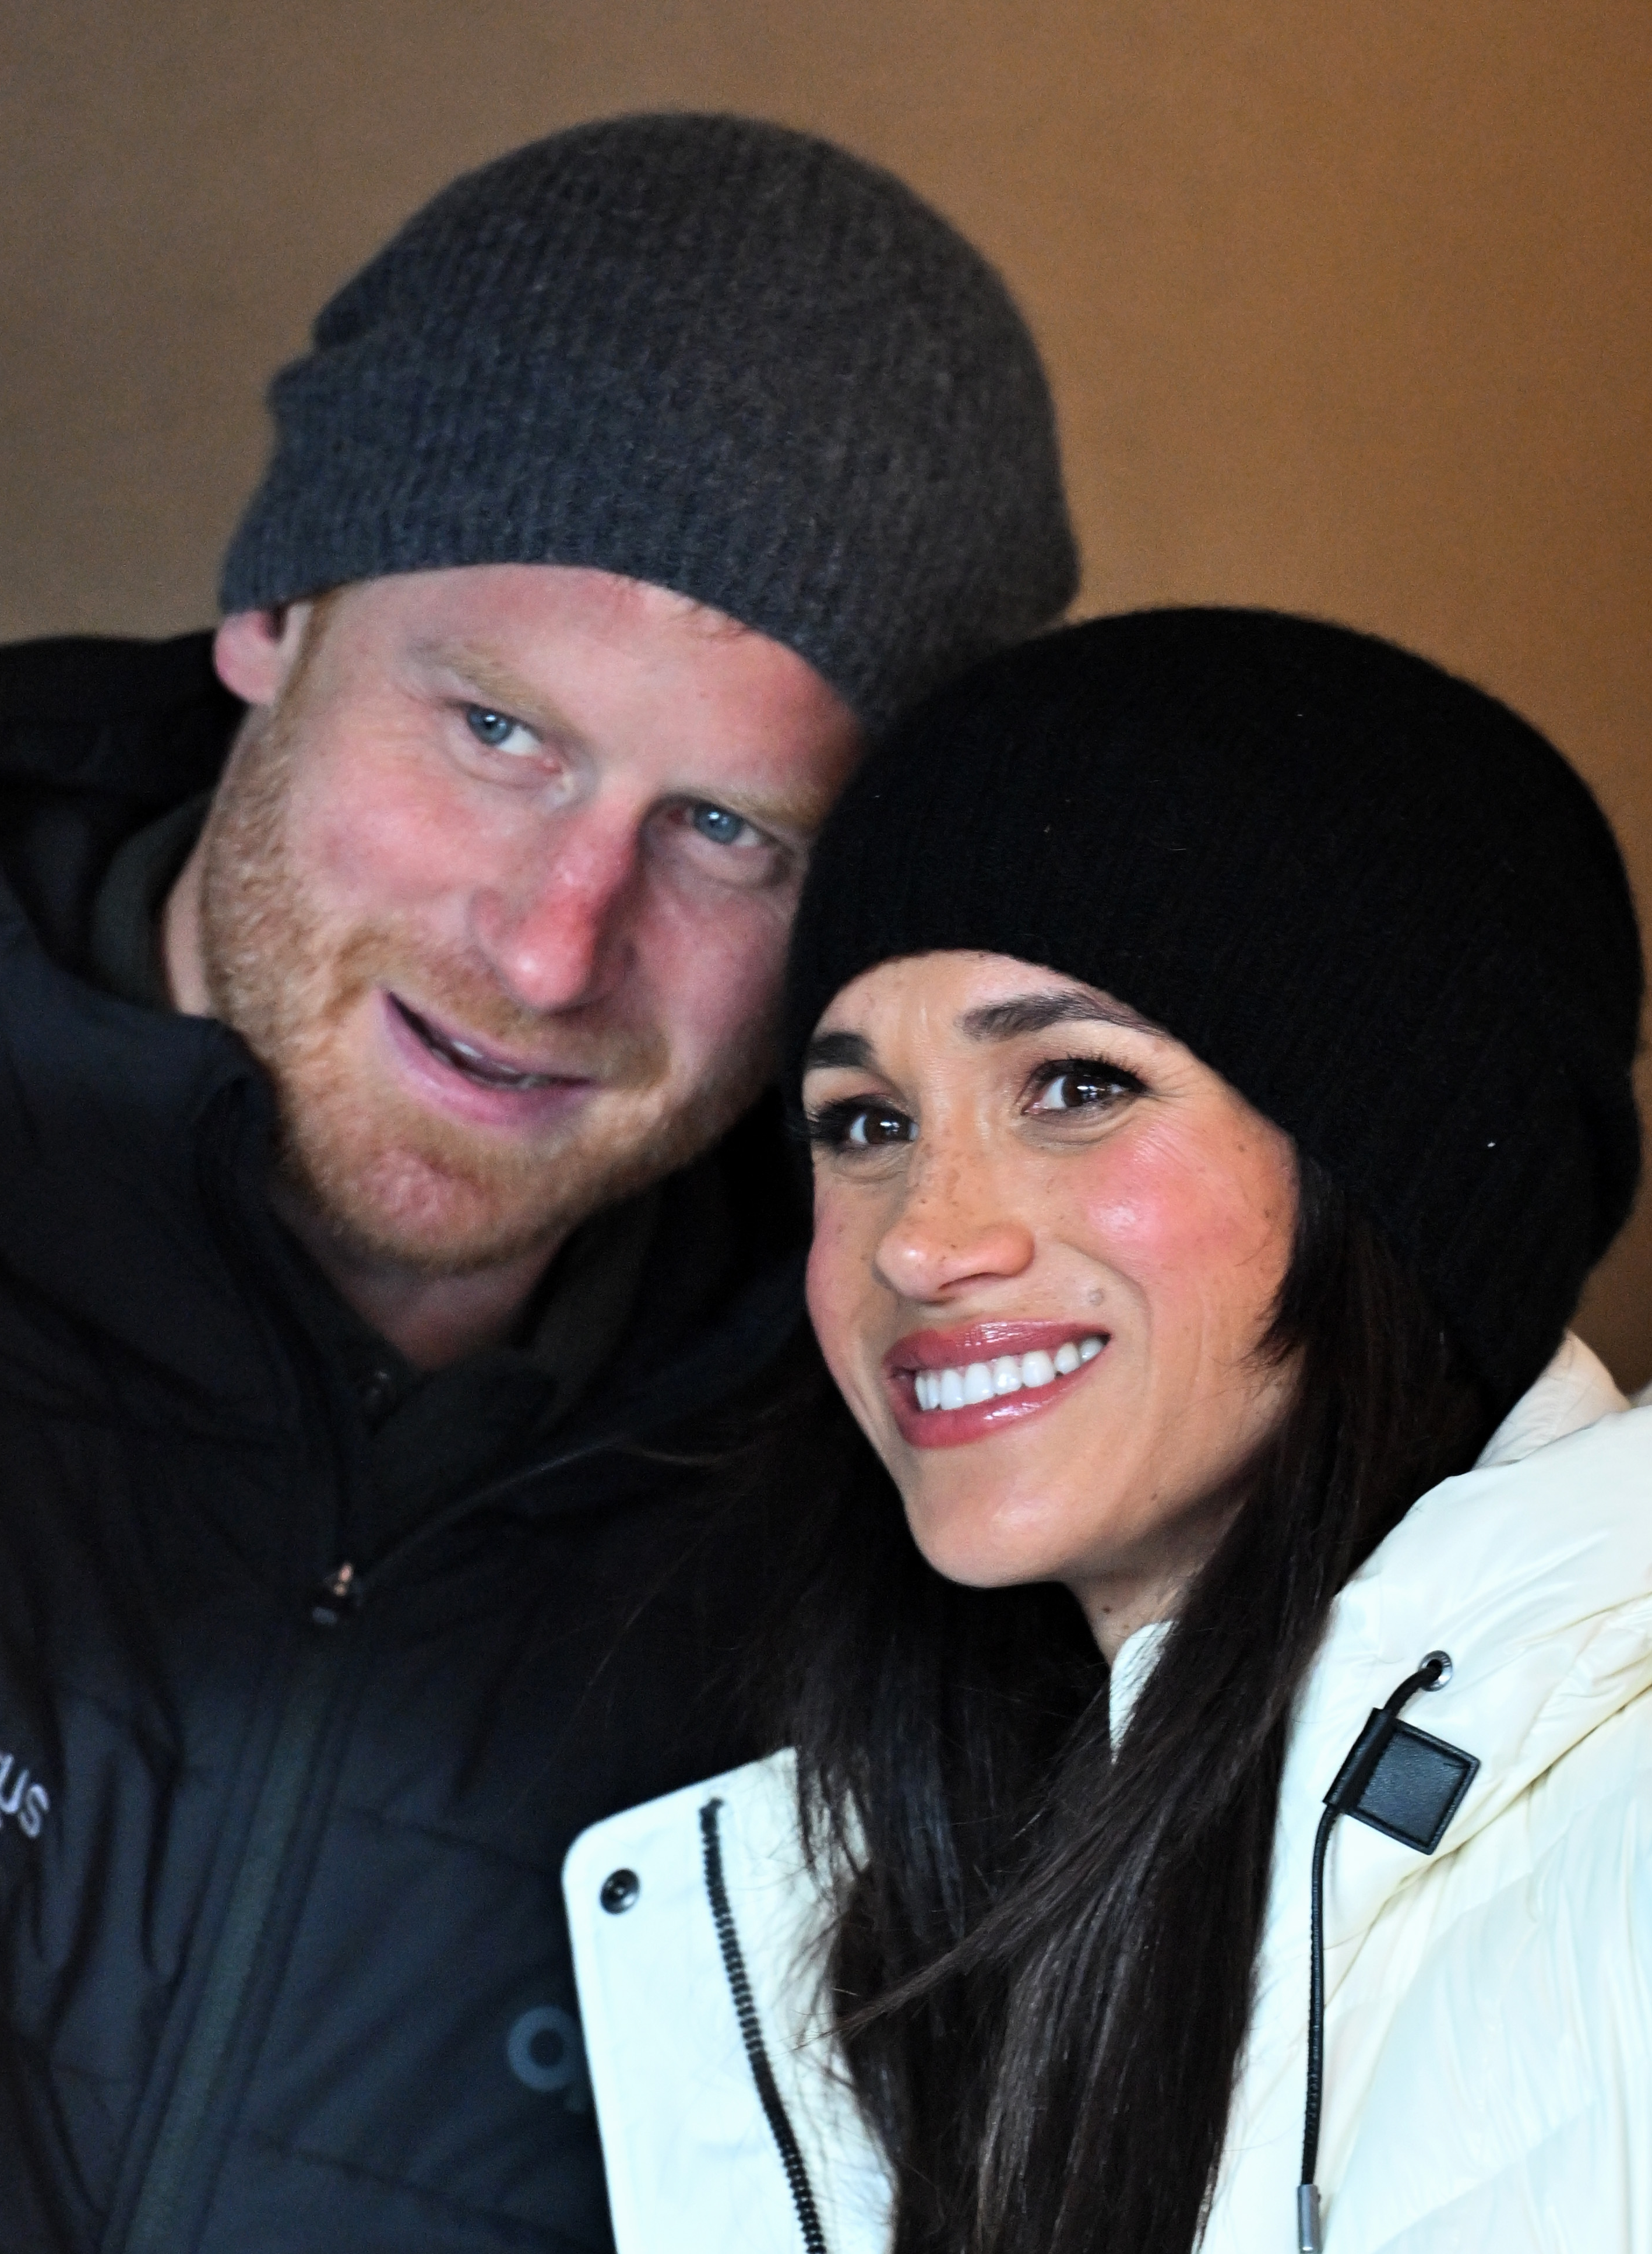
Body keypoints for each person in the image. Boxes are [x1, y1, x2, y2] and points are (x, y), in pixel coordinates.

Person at [0, 114, 1077, 2250]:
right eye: (496, 732)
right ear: (274, 608)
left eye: (730, 831)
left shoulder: (920, 1540)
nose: (556, 942)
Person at [565, 607, 1652, 2254]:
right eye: (863, 1122)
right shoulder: (877, 1907)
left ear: (1410, 1172)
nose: (922, 1238)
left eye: (1074, 1086)